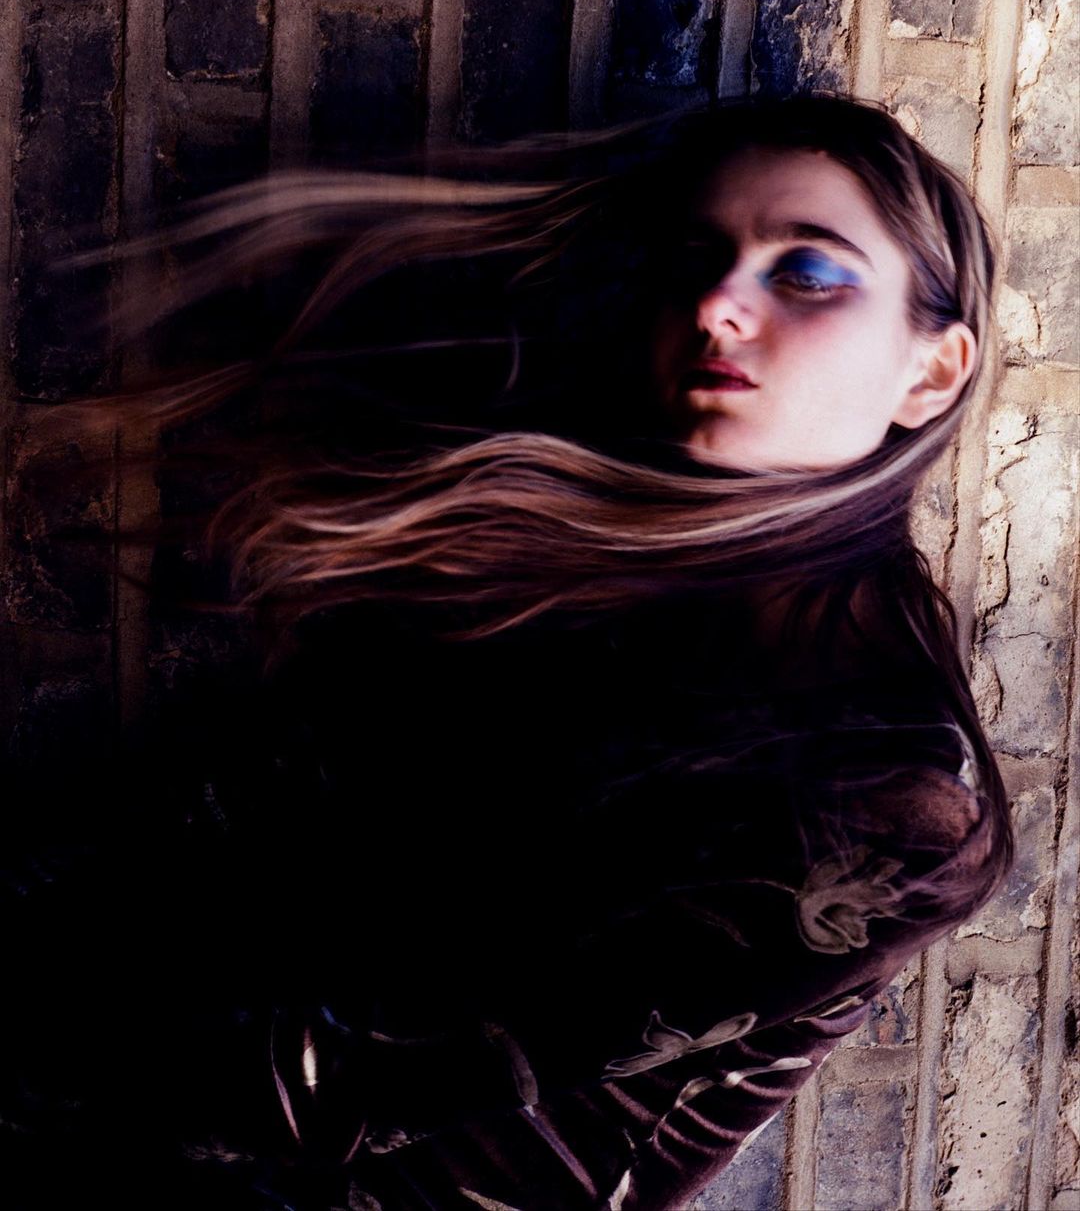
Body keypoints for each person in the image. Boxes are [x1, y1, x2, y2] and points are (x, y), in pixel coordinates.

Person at [3, 94, 1013, 1210]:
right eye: (697, 258)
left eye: (809, 274)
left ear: (933, 371)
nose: (718, 305)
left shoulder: (885, 801)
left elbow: (347, 1082)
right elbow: (231, 810)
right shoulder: (597, 571)